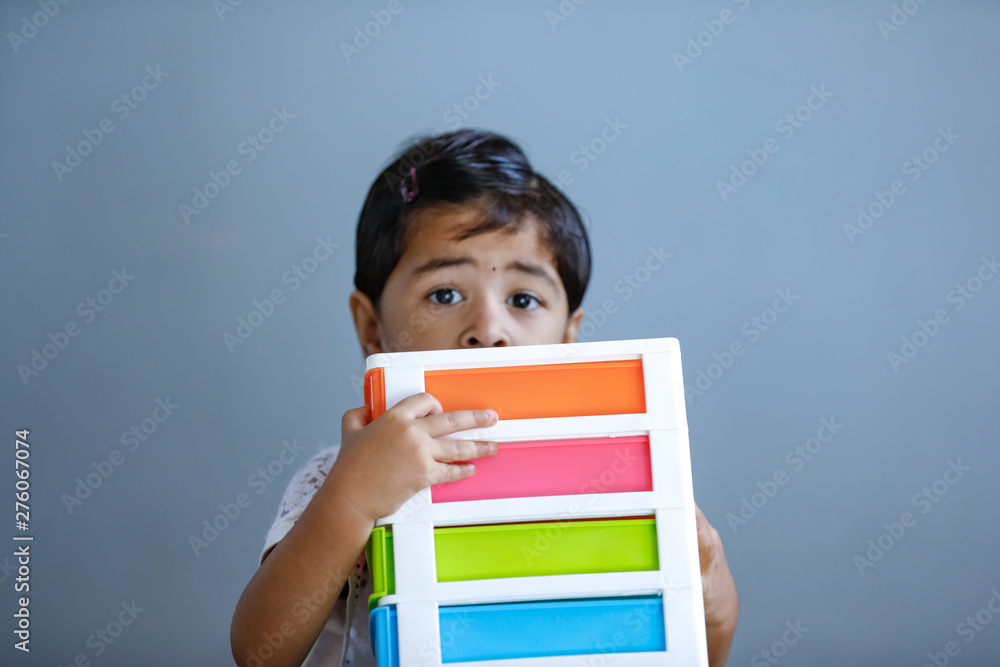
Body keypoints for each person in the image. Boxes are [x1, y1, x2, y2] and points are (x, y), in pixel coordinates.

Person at [231, 129, 739, 667]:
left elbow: (700, 655)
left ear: (569, 336)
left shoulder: (613, 476)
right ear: (373, 328)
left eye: (523, 298)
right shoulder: (346, 476)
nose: (489, 329)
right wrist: (353, 501)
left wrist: (710, 590)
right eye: (445, 294)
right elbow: (260, 654)